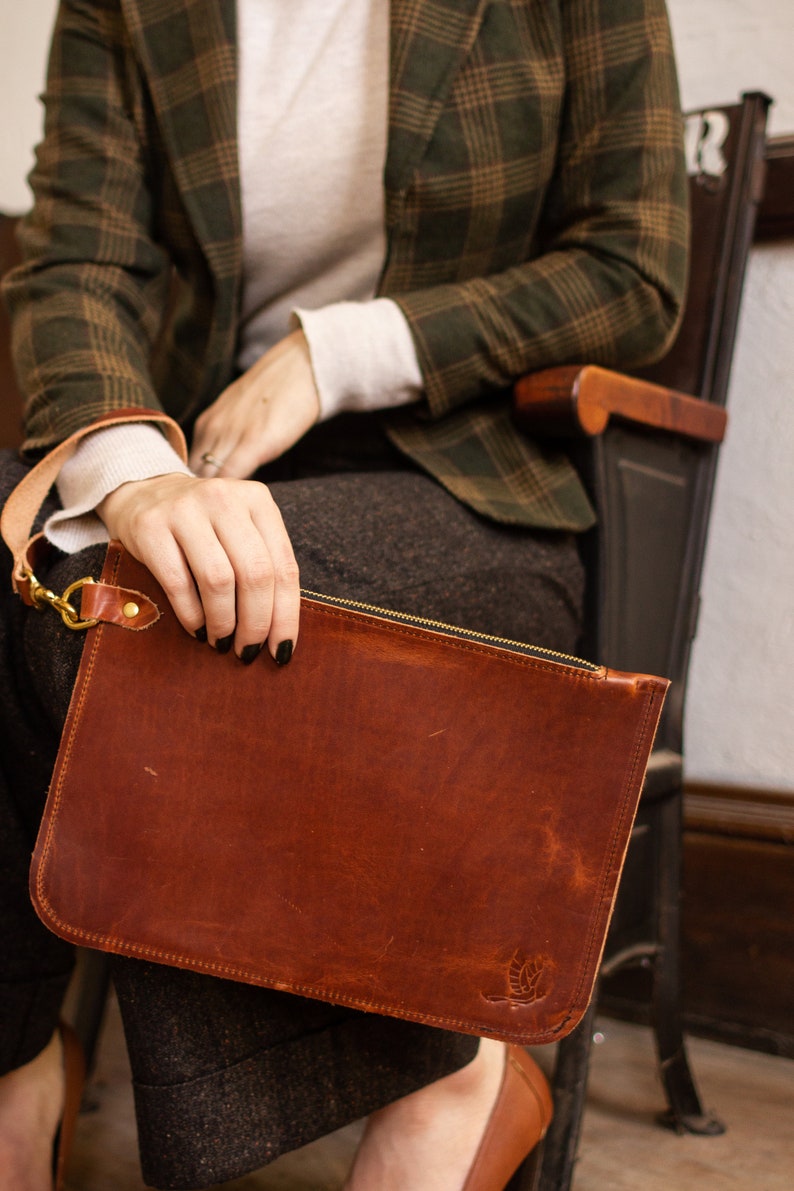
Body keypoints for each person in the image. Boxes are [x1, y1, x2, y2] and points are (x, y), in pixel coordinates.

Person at [0, 1, 689, 1188]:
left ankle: (446, 1064)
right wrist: (134, 470)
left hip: (465, 484)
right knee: (47, 587)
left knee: (147, 638)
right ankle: (20, 1083)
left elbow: (632, 268)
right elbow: (74, 265)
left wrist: (337, 354)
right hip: (199, 461)